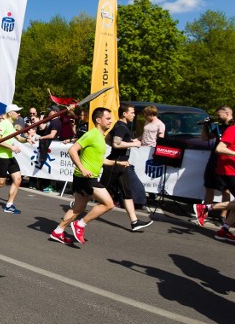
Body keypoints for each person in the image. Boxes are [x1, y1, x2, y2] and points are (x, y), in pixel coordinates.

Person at [49, 107, 117, 245]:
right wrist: (83, 168)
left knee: (78, 208)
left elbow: (100, 159)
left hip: (83, 177)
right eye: (108, 118)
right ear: (98, 120)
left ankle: (58, 231)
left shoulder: (100, 137)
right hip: (86, 177)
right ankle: (80, 224)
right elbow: (72, 150)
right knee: (109, 204)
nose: (111, 121)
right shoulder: (91, 134)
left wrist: (117, 163)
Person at [193, 107, 235, 242]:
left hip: (234, 170)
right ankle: (205, 208)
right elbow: (220, 148)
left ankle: (224, 229)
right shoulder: (232, 130)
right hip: (228, 170)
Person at [99, 103, 153, 231]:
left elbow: (108, 139)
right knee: (100, 190)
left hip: (122, 164)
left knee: (126, 192)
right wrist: (133, 143)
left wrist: (131, 142)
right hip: (115, 164)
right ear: (124, 114)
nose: (134, 115)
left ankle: (134, 222)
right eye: (132, 112)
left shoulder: (121, 126)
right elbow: (116, 144)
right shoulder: (121, 127)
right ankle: (78, 205)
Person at [194, 105, 233, 226]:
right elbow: (204, 138)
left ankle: (223, 216)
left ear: (227, 113)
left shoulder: (234, 127)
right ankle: (203, 213)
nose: (217, 117)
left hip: (226, 161)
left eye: (219, 114)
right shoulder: (219, 127)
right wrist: (205, 125)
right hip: (214, 159)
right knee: (209, 187)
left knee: (226, 189)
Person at [0, 103, 32, 214]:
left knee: (18, 179)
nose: (19, 113)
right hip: (1, 156)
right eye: (17, 111)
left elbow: (19, 138)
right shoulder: (3, 124)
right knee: (1, 184)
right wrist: (12, 147)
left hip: (10, 156)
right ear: (10, 113)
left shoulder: (12, 125)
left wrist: (27, 140)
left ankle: (9, 205)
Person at [38, 106, 62, 193]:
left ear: (55, 112)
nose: (49, 112)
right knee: (45, 165)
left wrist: (41, 137)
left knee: (51, 166)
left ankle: (51, 185)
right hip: (47, 146)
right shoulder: (50, 120)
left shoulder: (56, 122)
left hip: (51, 146)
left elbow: (52, 135)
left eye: (50, 111)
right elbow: (41, 127)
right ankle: (46, 184)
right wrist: (41, 118)